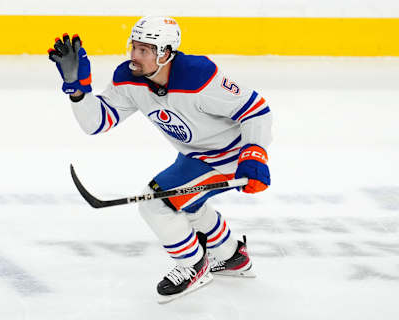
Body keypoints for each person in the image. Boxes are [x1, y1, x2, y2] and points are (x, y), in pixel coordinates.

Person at [48, 16, 272, 303]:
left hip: (226, 157)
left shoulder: (198, 77)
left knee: (155, 204)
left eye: (144, 51)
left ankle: (194, 265)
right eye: (133, 47)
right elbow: (97, 122)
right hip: (193, 156)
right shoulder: (129, 79)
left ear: (165, 53)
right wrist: (78, 91)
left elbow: (256, 110)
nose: (134, 57)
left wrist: (254, 154)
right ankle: (232, 257)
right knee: (189, 206)